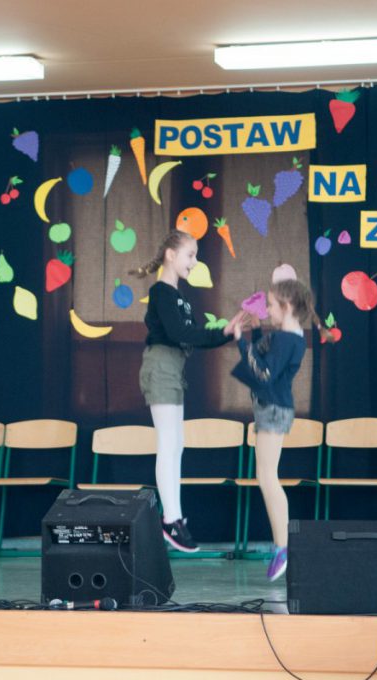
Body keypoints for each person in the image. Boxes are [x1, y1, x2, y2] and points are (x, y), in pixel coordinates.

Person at [130, 229, 245, 552]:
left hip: (173, 369)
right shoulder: (161, 292)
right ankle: (171, 520)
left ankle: (174, 518)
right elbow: (181, 332)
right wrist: (222, 332)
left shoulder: (177, 296)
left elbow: (192, 333)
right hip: (161, 367)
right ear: (171, 255)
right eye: (190, 255)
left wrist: (225, 332)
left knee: (176, 445)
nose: (194, 262)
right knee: (168, 444)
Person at [230, 279, 332, 581]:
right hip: (272, 409)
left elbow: (263, 372)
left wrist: (240, 340)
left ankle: (283, 546)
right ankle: (282, 545)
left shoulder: (288, 340)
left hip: (273, 410)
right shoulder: (289, 337)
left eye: (272, 305)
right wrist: (255, 331)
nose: (268, 310)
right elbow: (265, 356)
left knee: (267, 477)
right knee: (266, 476)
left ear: (287, 307)